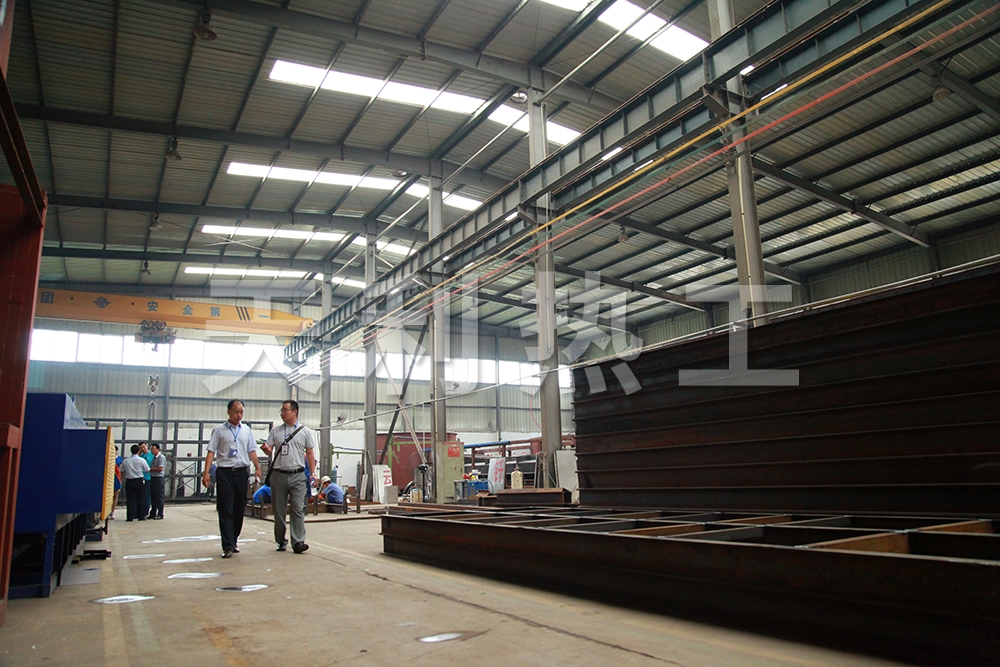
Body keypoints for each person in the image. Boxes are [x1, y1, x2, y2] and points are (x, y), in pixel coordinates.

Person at [202, 399, 262, 559]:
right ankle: (227, 545)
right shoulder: (219, 431)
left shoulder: (246, 430)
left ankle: (234, 539)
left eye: (241, 412)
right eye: (236, 412)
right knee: (226, 509)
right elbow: (211, 452)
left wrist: (257, 467)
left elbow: (252, 450)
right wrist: (206, 472)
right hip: (225, 473)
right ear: (229, 411)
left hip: (242, 473)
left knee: (239, 508)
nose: (239, 415)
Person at [260, 399, 316, 554]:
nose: (282, 413)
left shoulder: (305, 431)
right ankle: (280, 540)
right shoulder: (276, 431)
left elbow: (310, 453)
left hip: (298, 475)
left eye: (285, 410)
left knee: (298, 509)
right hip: (278, 475)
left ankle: (298, 542)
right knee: (279, 511)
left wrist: (313, 473)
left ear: (294, 412)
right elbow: (269, 450)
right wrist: (266, 449)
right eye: (282, 411)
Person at [120, 444, 150, 521]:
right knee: (141, 499)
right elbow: (147, 469)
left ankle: (130, 517)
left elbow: (122, 470)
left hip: (129, 481)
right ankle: (141, 516)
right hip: (139, 480)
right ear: (138, 451)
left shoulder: (126, 460)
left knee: (130, 499)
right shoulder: (142, 460)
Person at [148, 443, 166, 519]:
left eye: (153, 449)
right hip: (153, 477)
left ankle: (160, 513)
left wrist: (150, 469)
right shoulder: (154, 457)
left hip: (158, 478)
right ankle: (153, 512)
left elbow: (160, 468)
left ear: (158, 449)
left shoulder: (161, 457)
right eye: (151, 449)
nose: (152, 451)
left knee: (158, 496)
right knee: (153, 496)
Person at [138, 442, 153, 520]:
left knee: (147, 496)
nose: (143, 449)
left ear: (147, 446)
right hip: (141, 477)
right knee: (141, 496)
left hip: (148, 477)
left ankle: (146, 512)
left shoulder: (151, 455)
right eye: (141, 448)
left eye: (144, 447)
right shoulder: (141, 456)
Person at [110, 446, 122, 520]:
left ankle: (112, 511)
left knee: (115, 495)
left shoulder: (119, 458)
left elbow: (121, 468)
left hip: (116, 477)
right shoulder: (108, 457)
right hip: (109, 477)